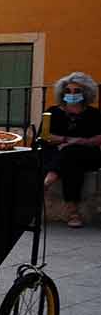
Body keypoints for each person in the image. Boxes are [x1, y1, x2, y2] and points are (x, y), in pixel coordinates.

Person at [41, 71, 101, 228]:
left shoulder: (94, 114)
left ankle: (47, 182)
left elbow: (98, 138)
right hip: (58, 153)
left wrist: (80, 141)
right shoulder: (53, 111)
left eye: (76, 91)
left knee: (72, 152)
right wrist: (65, 140)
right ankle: (72, 212)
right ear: (62, 92)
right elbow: (45, 135)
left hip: (86, 153)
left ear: (85, 93)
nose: (71, 94)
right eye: (68, 90)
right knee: (71, 162)